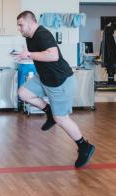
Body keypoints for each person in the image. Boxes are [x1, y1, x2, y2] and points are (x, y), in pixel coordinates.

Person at [14, 10, 95, 168]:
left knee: (61, 119)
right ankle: (49, 111)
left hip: (60, 82)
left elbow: (53, 56)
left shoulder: (43, 34)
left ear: (31, 23)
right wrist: (28, 54)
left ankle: (84, 146)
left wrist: (28, 55)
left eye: (20, 24)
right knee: (23, 93)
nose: (19, 28)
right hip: (44, 79)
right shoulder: (29, 37)